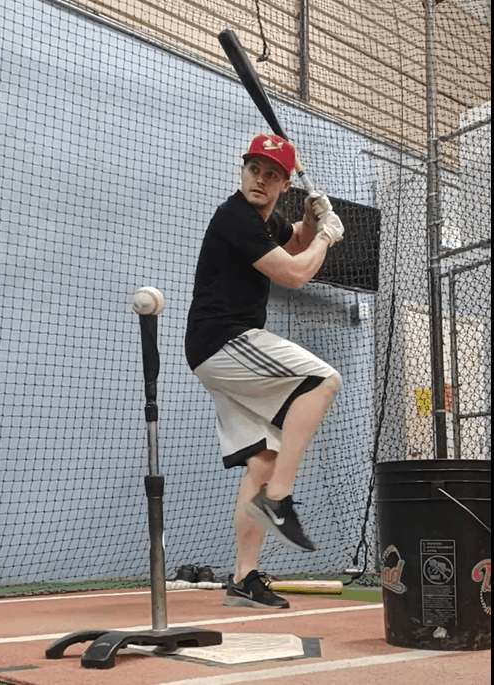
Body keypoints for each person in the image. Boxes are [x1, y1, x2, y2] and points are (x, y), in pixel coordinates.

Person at [185, 133, 344, 610]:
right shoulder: (234, 215)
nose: (260, 178)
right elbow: (295, 272)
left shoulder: (265, 219)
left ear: (283, 183)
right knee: (323, 380)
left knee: (261, 460)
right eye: (254, 168)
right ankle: (281, 498)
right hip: (225, 341)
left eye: (271, 173)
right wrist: (328, 236)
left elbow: (290, 239)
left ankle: (243, 577)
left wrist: (311, 219)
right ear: (244, 171)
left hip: (218, 353)